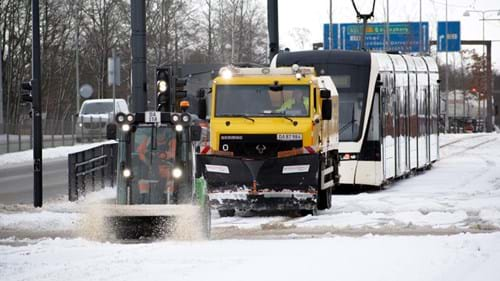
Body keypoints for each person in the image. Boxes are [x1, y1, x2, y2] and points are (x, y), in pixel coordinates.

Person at [136, 128, 176, 201]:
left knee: (170, 176)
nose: (159, 136)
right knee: (142, 175)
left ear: (165, 133)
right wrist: (147, 162)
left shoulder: (171, 141)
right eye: (158, 134)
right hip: (151, 164)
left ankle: (168, 197)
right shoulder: (148, 140)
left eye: (161, 133)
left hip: (166, 164)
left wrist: (166, 155)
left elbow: (174, 152)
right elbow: (140, 152)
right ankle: (143, 197)